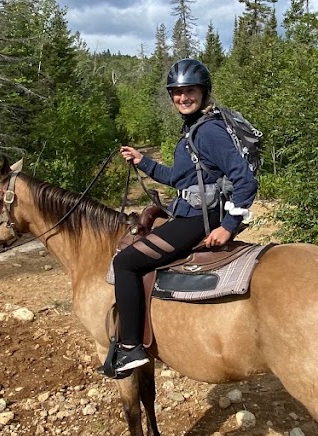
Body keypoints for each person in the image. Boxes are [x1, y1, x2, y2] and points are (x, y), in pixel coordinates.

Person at [106, 57, 258, 378]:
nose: (182, 97)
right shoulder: (193, 130)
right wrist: (142, 160)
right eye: (176, 92)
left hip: (196, 222)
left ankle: (131, 347)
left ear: (203, 92)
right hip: (189, 214)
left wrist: (227, 227)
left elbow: (245, 179)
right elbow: (178, 178)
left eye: (189, 90)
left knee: (125, 263)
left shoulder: (209, 132)